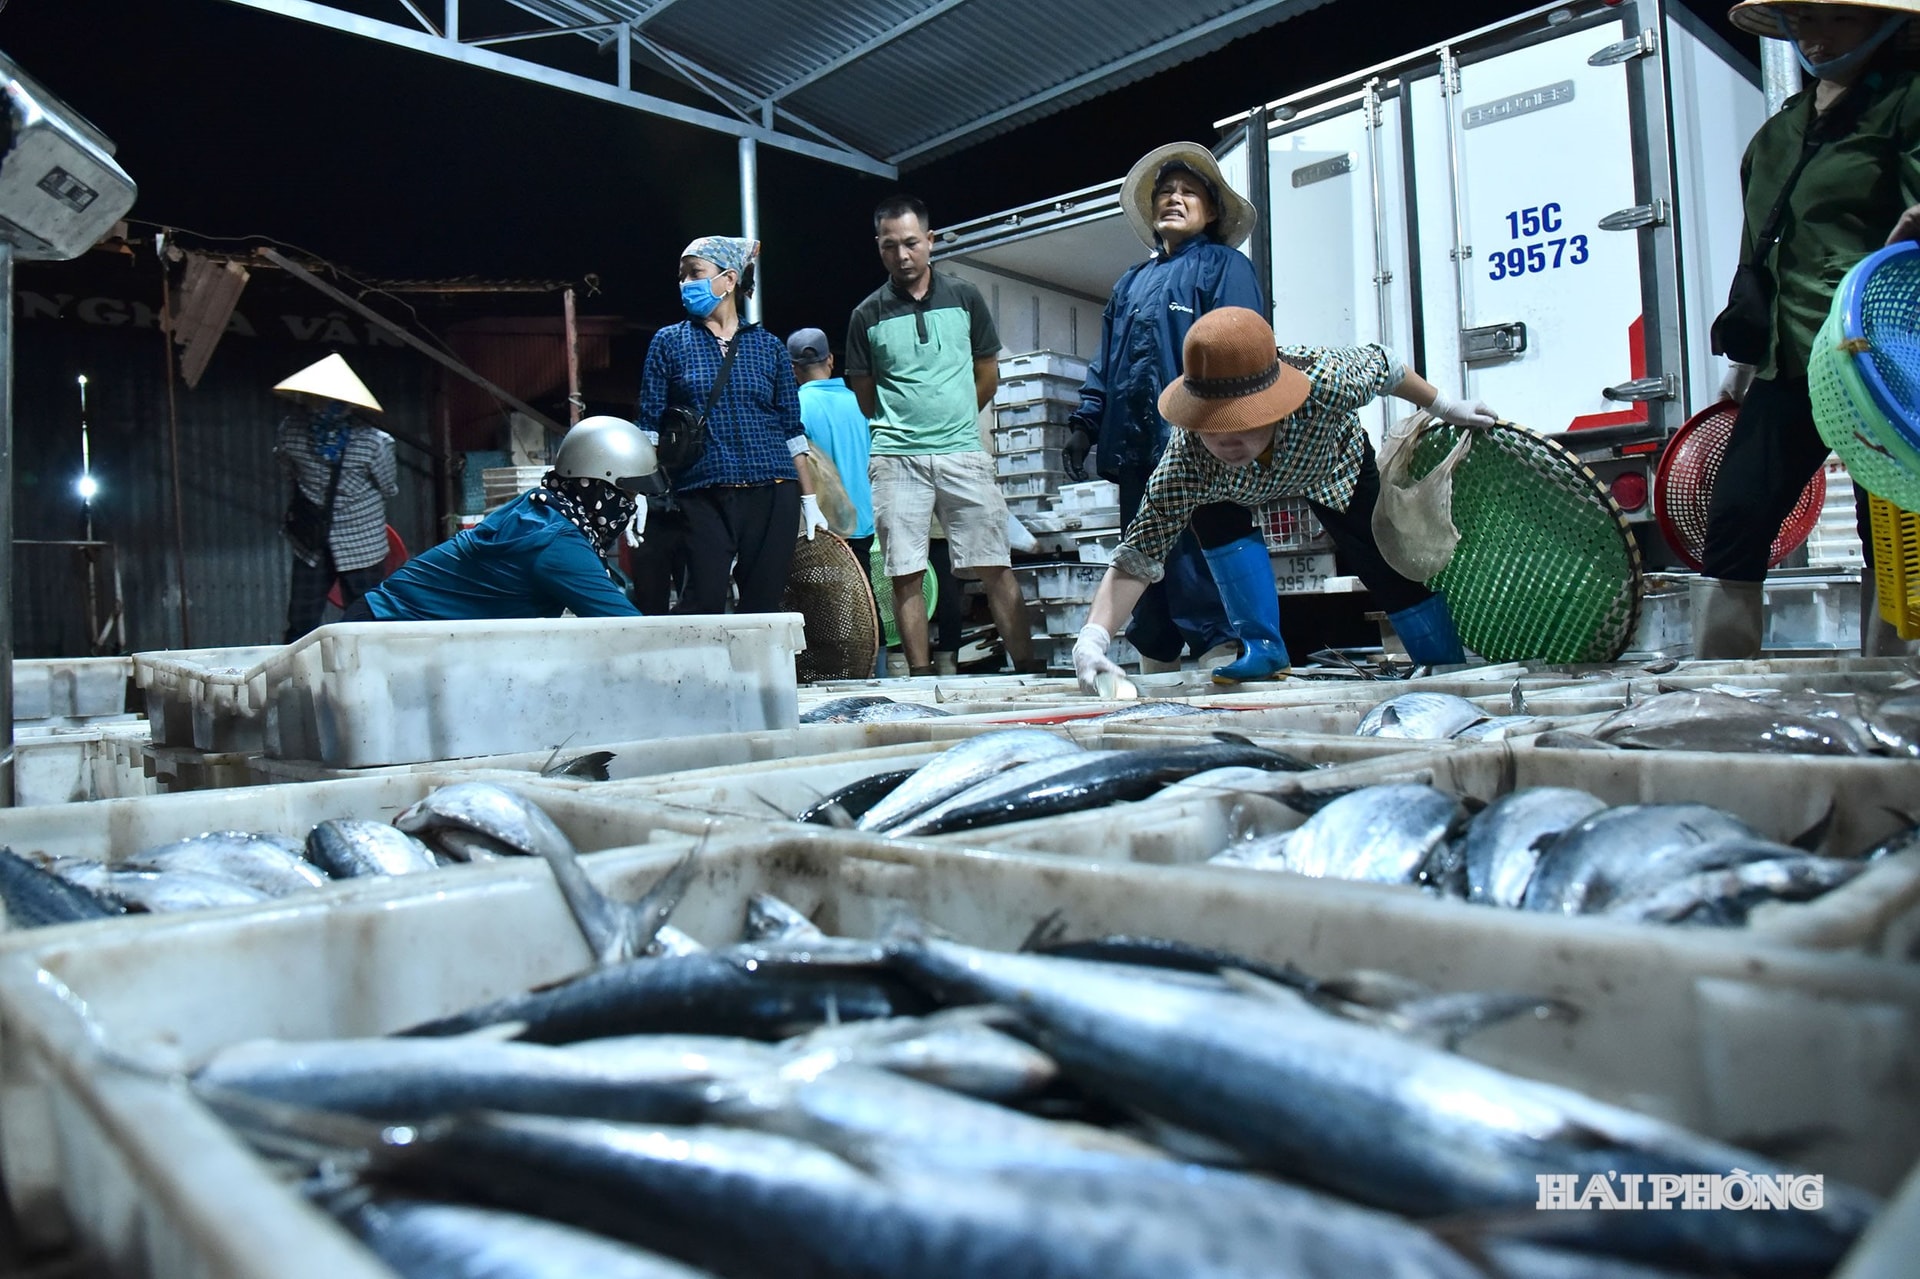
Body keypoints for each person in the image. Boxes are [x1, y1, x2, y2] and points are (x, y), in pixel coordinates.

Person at [1072, 307, 1497, 694]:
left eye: (1241, 423)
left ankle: (1441, 657)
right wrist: (1094, 637)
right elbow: (1138, 556)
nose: (1226, 440)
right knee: (1209, 515)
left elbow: (1388, 367)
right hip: (1226, 492)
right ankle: (1262, 649)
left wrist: (1445, 406)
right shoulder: (1187, 461)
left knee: (1384, 553)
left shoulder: (1327, 380)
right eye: (1212, 426)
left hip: (1329, 465)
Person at [1698, 0, 1920, 657]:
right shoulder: (1777, 133)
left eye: (1841, 21)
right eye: (1807, 21)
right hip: (1787, 358)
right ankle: (1717, 694)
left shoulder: (1907, 104)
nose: (1819, 38)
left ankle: (1892, 691)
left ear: (1882, 26)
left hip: (1875, 360)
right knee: (1737, 514)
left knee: (1887, 524)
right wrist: (1739, 360)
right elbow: (1755, 251)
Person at [1065, 142, 1267, 682]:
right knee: (1143, 551)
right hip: (1133, 446)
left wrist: (1231, 426)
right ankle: (1156, 659)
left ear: (1212, 210)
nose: (1174, 199)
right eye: (1166, 192)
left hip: (1199, 444)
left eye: (1188, 192)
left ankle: (1224, 655)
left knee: (1202, 553)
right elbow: (1106, 360)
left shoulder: (1226, 266)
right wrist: (1086, 421)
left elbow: (1242, 346)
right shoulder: (1129, 282)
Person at [845, 194, 1040, 677]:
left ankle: (1030, 669)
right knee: (904, 573)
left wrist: (954, 419)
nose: (902, 255)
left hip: (962, 454)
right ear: (878, 247)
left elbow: (986, 373)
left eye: (911, 243)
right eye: (890, 246)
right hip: (895, 457)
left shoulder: (966, 297)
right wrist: (907, 424)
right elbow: (864, 394)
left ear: (930, 241)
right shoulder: (865, 314)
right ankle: (919, 679)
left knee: (995, 564)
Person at [639, 236, 828, 616]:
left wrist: (809, 499)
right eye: (681, 277)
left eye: (694, 273)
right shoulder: (669, 342)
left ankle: (756, 677)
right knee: (702, 600)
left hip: (773, 491)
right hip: (701, 493)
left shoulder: (769, 346)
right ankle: (697, 676)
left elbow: (792, 429)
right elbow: (649, 425)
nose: (685, 284)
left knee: (762, 605)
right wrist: (638, 492)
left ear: (728, 280)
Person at [348, 416, 650, 621]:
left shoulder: (544, 506)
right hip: (381, 634)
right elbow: (625, 628)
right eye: (628, 493)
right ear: (595, 484)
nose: (631, 505)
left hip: (385, 626)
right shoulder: (558, 543)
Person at [272, 353, 398, 643]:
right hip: (354, 543)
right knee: (367, 621)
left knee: (301, 623)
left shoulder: (290, 431)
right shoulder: (375, 441)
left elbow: (288, 473)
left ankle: (300, 681)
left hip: (316, 540)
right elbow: (389, 487)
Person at [787, 327, 876, 568]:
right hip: (866, 523)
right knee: (864, 600)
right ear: (831, 360)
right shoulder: (862, 403)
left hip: (820, 528)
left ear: (793, 368)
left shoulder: (794, 409)